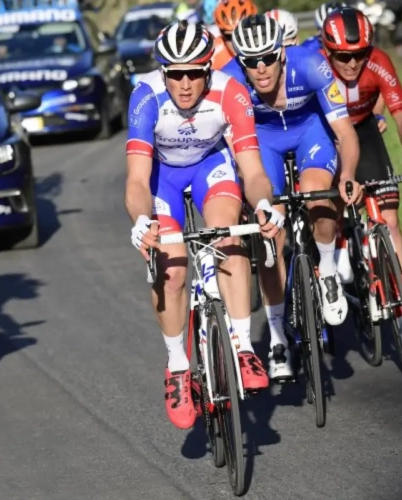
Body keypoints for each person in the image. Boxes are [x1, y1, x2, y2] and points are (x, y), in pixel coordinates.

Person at [125, 21, 284, 429]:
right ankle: (178, 366)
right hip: (163, 177)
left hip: (211, 167)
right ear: (163, 73)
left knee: (228, 236)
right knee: (173, 269)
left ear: (208, 70)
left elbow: (252, 171)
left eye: (193, 72)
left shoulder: (231, 93)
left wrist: (264, 203)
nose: (183, 83)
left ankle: (243, 345)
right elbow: (138, 181)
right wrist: (142, 220)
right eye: (174, 73)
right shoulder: (146, 98)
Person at [221, 14, 362, 381]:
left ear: (281, 53)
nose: (261, 68)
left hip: (309, 132)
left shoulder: (310, 64)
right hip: (263, 141)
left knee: (318, 197)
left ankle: (328, 269)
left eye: (267, 57)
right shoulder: (231, 81)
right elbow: (229, 151)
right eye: (251, 61)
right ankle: (278, 338)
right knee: (271, 231)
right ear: (241, 61)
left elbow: (344, 132)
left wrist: (347, 174)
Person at [321, 7, 402, 345]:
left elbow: (401, 117)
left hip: (365, 130)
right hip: (325, 133)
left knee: (389, 218)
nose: (352, 63)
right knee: (329, 204)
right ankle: (334, 252)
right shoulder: (317, 66)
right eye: (343, 56)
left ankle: (401, 309)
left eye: (359, 55)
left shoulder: (379, 61)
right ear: (327, 50)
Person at [209, 0, 257, 70]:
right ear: (221, 34)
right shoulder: (212, 57)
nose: (236, 43)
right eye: (229, 37)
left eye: (242, 35)